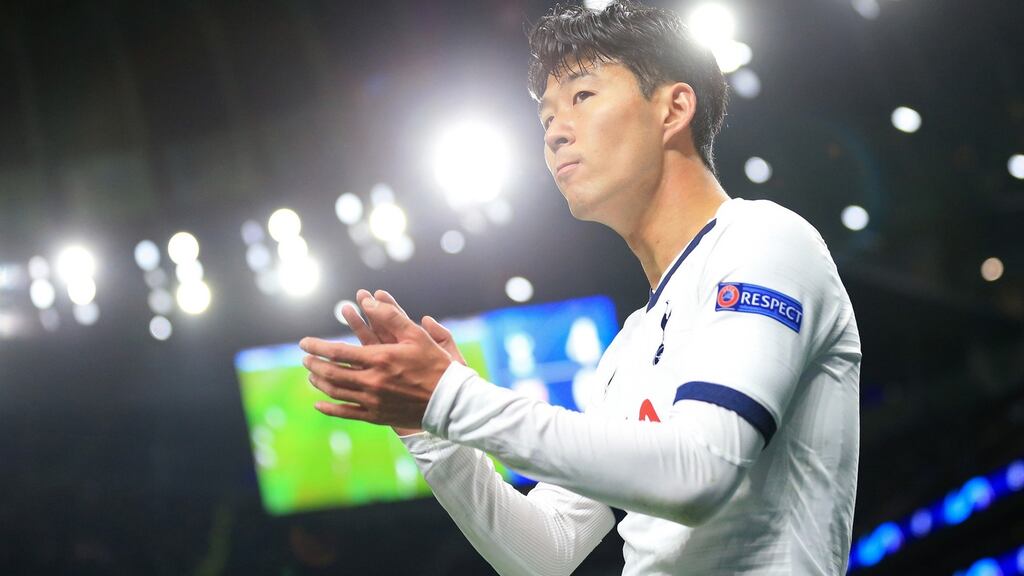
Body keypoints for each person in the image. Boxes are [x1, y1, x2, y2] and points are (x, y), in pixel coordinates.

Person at [299, 1, 861, 574]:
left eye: (582, 97)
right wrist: (433, 432)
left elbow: (701, 471)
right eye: (545, 118)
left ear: (673, 108)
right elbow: (545, 554)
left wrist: (453, 395)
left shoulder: (764, 239)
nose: (555, 133)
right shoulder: (629, 348)